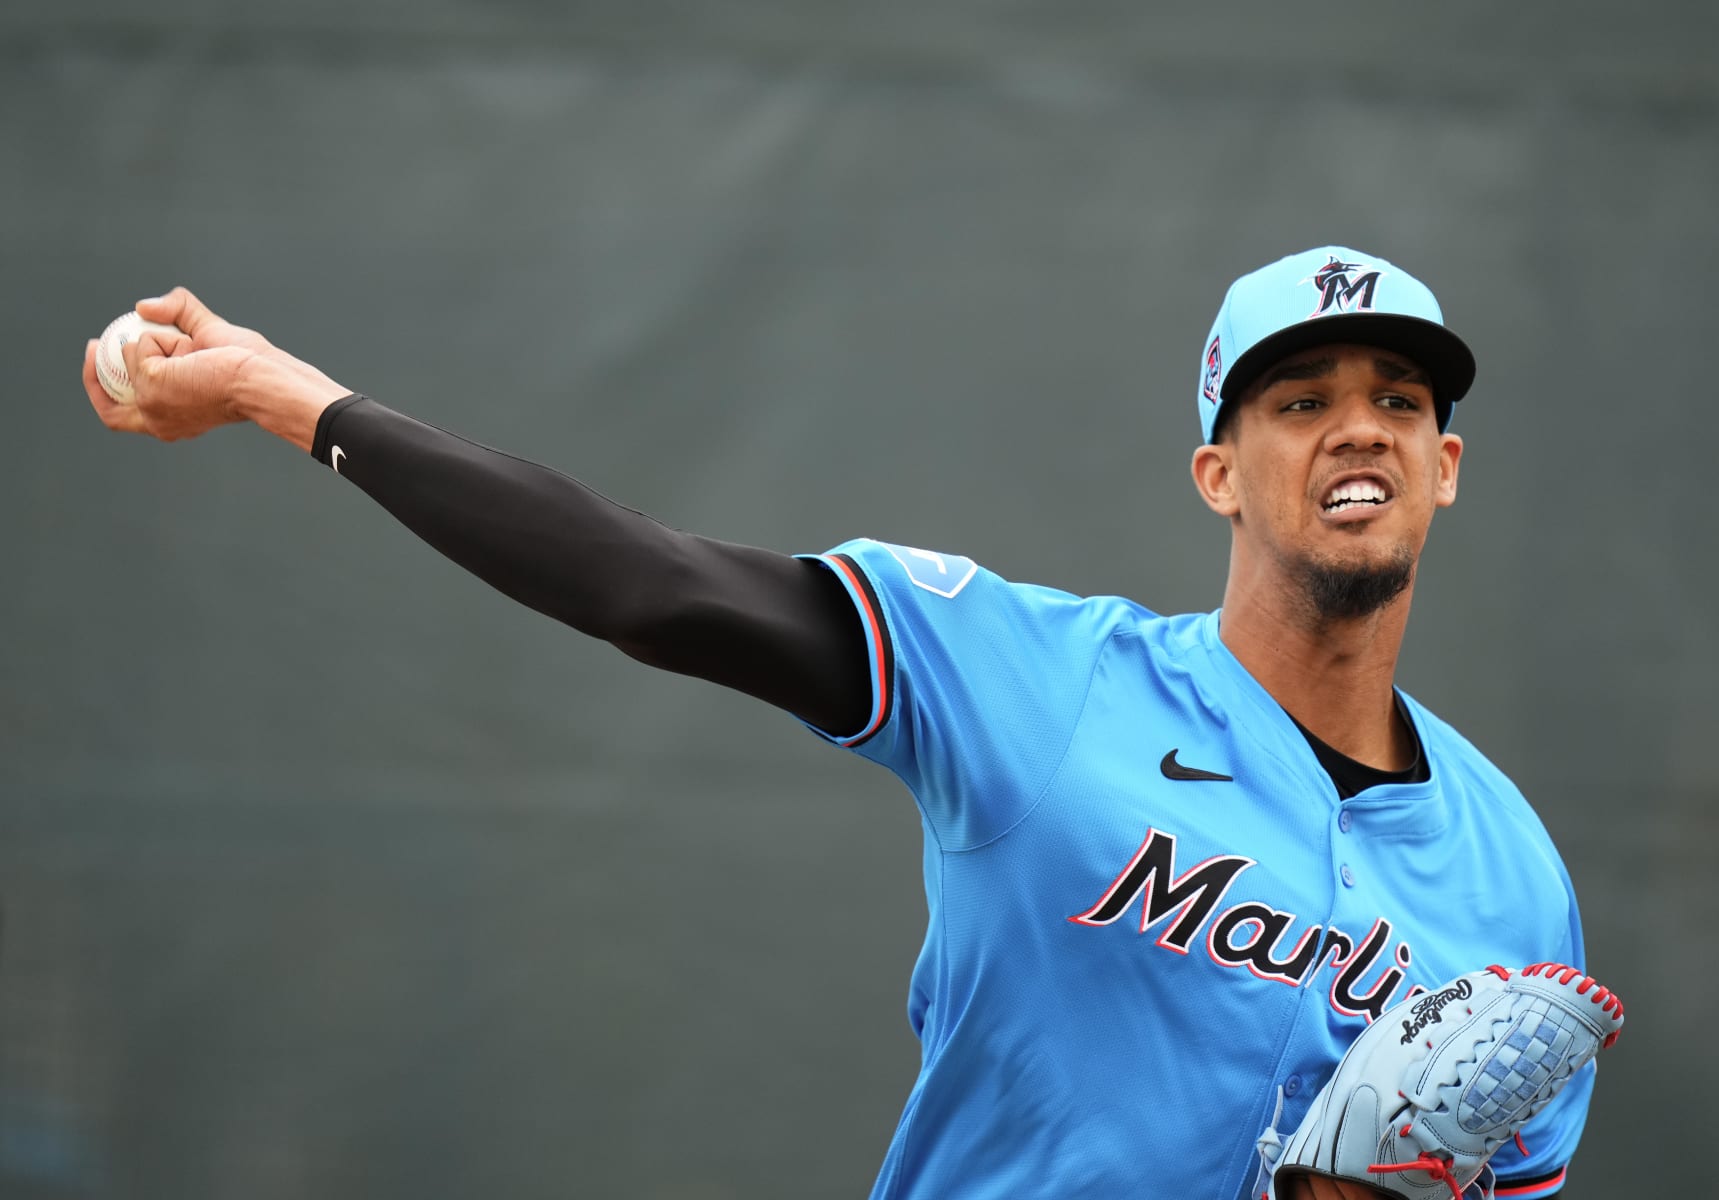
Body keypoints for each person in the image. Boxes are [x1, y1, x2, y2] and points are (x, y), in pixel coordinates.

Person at [82, 247, 1598, 1200]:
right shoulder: (1037, 678)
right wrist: (296, 397)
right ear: (1218, 472)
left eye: (1399, 400)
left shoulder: (1514, 877)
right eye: (1296, 398)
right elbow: (653, 590)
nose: (1356, 426)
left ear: (1445, 464)